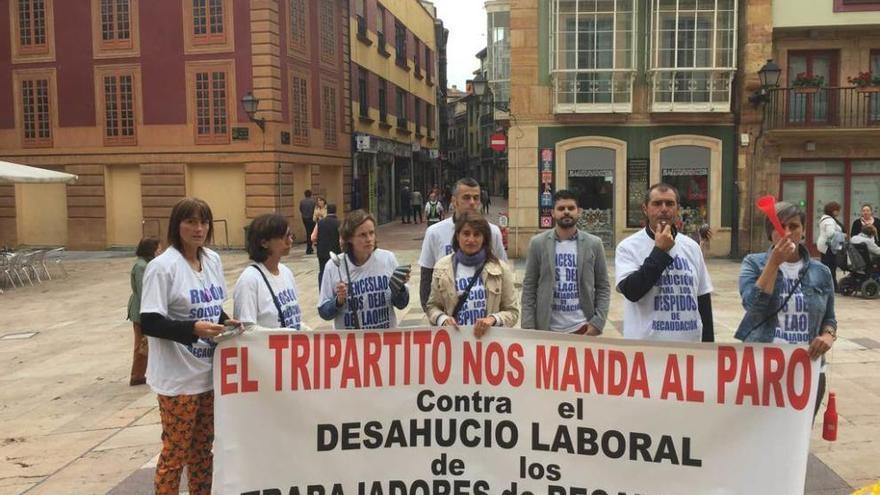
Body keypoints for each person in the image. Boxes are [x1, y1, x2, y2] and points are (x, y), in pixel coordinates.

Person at [139, 197, 240, 495]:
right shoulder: (163, 267)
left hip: (207, 373)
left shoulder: (212, 260)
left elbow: (211, 306)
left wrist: (226, 321)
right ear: (177, 225)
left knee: (203, 450)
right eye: (191, 222)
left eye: (203, 222)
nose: (198, 228)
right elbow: (150, 322)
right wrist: (191, 329)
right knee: (175, 453)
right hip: (178, 378)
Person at [735, 201, 836, 418]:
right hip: (765, 369)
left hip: (807, 370)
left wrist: (828, 335)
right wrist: (773, 263)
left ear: (803, 229)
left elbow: (829, 317)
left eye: (794, 226)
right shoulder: (753, 263)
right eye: (780, 226)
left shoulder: (821, 272)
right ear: (770, 232)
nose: (787, 233)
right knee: (760, 436)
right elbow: (753, 307)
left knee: (799, 440)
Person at [615, 183, 714, 342]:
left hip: (689, 348)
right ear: (645, 209)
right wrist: (659, 252)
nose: (663, 209)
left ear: (678, 209)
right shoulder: (628, 247)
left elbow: (703, 298)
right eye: (656, 203)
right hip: (646, 349)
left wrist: (709, 348)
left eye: (669, 203)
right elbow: (632, 291)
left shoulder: (692, 247)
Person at [521, 190, 609, 335]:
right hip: (547, 329)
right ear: (553, 213)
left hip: (583, 328)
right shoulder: (538, 243)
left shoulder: (594, 243)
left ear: (579, 211)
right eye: (561, 209)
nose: (566, 212)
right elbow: (529, 286)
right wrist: (528, 326)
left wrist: (598, 322)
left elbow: (603, 286)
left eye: (571, 208)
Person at [419, 177, 508, 310]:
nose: (472, 202)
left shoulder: (493, 232)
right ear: (454, 201)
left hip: (486, 317)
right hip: (448, 318)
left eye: (476, 198)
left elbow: (503, 274)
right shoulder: (434, 232)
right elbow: (426, 277)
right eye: (466, 197)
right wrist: (433, 316)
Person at [425, 212, 519, 336]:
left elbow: (512, 312)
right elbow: (432, 306)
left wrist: (493, 319)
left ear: (484, 238)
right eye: (466, 234)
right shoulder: (442, 268)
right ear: (458, 236)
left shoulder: (501, 269)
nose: (471, 240)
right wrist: (443, 320)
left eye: (477, 234)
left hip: (490, 345)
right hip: (456, 344)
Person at [318, 210, 410, 329]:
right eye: (362, 235)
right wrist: (338, 301)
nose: (369, 239)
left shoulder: (387, 259)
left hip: (384, 342)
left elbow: (402, 304)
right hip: (351, 344)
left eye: (371, 233)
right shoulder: (334, 266)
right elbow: (324, 312)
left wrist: (400, 287)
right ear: (349, 238)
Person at [234, 214, 303, 330]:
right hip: (265, 348)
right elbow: (246, 329)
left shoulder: (286, 272)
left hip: (289, 347)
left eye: (291, 235)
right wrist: (282, 334)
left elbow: (294, 321)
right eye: (284, 237)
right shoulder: (250, 279)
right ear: (264, 243)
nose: (290, 241)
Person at [126, 237, 160, 386]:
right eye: (158, 248)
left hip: (144, 309)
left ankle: (142, 373)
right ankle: (137, 375)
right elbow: (143, 290)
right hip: (140, 310)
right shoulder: (141, 266)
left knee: (146, 343)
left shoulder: (148, 264)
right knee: (141, 343)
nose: (160, 251)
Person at [817, 201, 845, 292]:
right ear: (833, 210)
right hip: (828, 247)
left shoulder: (825, 218)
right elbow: (830, 233)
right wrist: (842, 235)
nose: (838, 212)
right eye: (837, 210)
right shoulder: (829, 220)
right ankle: (832, 286)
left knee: (827, 266)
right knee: (830, 267)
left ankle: (828, 285)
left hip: (824, 246)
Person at [312, 203, 342, 287]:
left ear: (327, 210)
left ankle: (322, 290)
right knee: (336, 271)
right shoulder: (339, 223)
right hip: (336, 252)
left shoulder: (320, 223)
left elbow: (313, 237)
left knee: (322, 271)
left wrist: (317, 243)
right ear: (336, 211)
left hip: (322, 252)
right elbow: (341, 240)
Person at [299, 190, 316, 254]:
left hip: (304, 218)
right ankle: (309, 248)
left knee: (308, 232)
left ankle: (309, 248)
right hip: (311, 218)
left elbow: (300, 209)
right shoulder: (313, 202)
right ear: (311, 194)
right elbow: (315, 210)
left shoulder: (302, 202)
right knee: (311, 233)